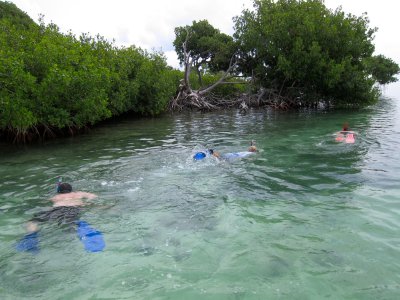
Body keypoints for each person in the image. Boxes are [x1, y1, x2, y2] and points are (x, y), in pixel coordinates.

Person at [16, 182, 104, 253]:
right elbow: (93, 196)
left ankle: (31, 237)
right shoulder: (79, 193)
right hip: (73, 209)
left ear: (59, 191)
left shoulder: (55, 197)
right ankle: (84, 234)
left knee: (33, 221)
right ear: (71, 189)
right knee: (71, 223)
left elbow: (45, 202)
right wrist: (86, 202)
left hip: (56, 210)